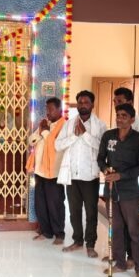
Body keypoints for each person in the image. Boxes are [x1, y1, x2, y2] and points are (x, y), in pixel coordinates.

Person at [98, 103, 139, 277]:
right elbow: (100, 159)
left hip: (129, 191)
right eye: (118, 115)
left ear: (132, 119)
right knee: (116, 228)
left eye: (124, 116)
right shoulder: (108, 136)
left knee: (133, 230)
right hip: (111, 190)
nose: (119, 119)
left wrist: (121, 175)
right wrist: (105, 170)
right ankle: (120, 263)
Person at [56, 90, 107, 258]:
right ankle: (77, 240)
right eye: (80, 102)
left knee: (91, 212)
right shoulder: (69, 124)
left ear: (92, 105)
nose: (83, 105)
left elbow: (102, 148)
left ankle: (90, 244)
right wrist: (74, 136)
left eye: (86, 102)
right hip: (72, 175)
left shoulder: (100, 125)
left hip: (90, 176)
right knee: (74, 211)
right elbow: (58, 145)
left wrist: (84, 134)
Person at [27, 97, 67, 244]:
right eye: (47, 109)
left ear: (59, 110)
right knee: (41, 204)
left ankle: (59, 234)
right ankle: (46, 231)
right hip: (40, 171)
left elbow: (55, 145)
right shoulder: (45, 124)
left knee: (55, 204)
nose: (48, 112)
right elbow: (31, 140)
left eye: (51, 109)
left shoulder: (64, 126)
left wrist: (44, 132)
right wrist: (41, 130)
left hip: (54, 172)